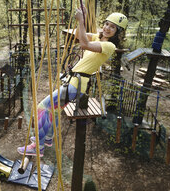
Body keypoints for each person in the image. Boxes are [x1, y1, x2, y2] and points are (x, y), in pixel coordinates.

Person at [17, 9, 128, 157]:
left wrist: (82, 21)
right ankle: (47, 138)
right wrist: (81, 20)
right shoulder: (98, 37)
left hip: (75, 85)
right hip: (72, 83)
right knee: (53, 110)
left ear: (118, 32)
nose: (107, 28)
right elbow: (77, 34)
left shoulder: (109, 46)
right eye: (107, 24)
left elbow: (84, 44)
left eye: (112, 27)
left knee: (42, 108)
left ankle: (38, 146)